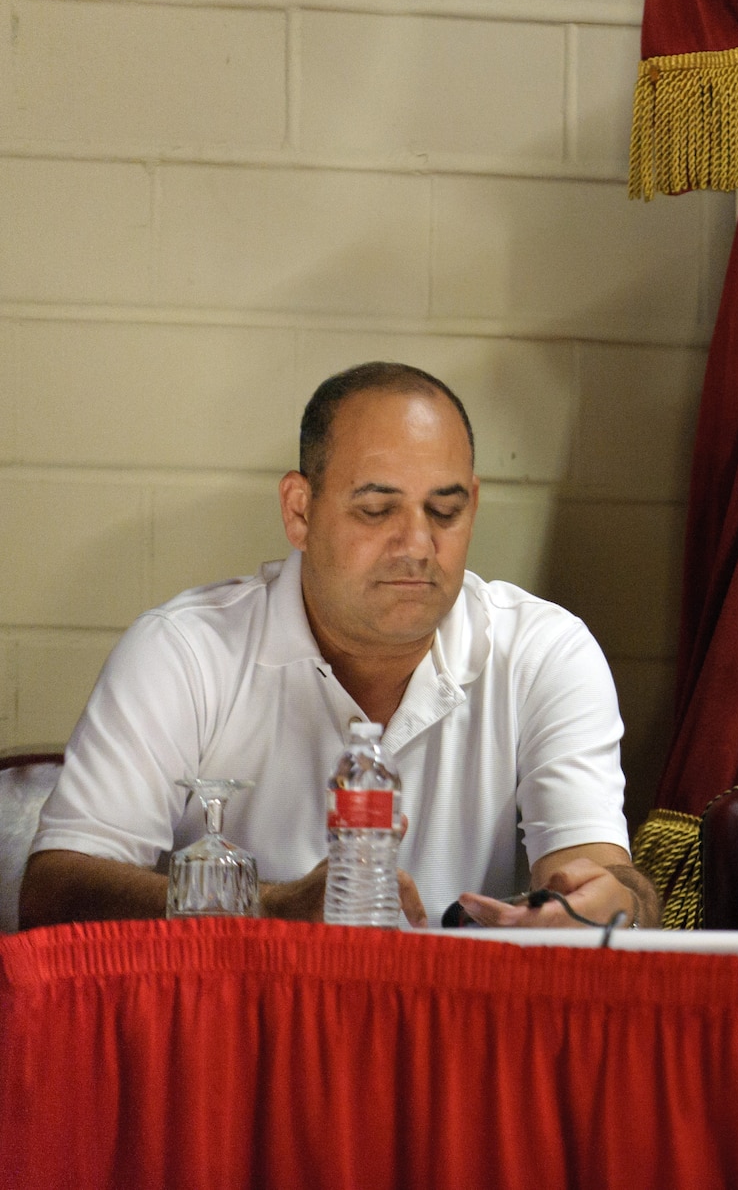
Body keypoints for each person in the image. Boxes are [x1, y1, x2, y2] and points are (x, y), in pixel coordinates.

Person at [21, 362, 659, 930]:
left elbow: (605, 879)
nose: (417, 545)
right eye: (377, 510)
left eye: (445, 511)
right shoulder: (186, 652)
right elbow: (53, 892)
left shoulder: (545, 653)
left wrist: (608, 909)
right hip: (236, 1015)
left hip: (455, 1018)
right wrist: (269, 911)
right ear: (299, 510)